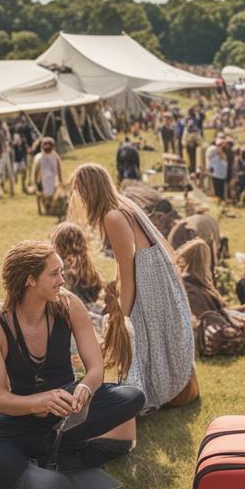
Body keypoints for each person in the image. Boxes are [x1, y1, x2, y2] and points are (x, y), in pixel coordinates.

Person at [0, 241, 144, 489]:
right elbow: (2, 399)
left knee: (132, 398)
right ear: (30, 279)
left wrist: (84, 388)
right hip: (23, 419)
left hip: (69, 414)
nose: (62, 280)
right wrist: (39, 402)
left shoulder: (68, 306)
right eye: (54, 274)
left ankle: (49, 467)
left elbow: (95, 368)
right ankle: (52, 472)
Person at [69, 163, 195, 412]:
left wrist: (123, 317)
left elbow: (128, 271)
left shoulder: (113, 216)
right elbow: (123, 262)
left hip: (148, 282)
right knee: (151, 337)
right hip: (152, 276)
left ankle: (147, 393)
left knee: (142, 335)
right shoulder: (121, 206)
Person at [32, 137, 64, 212]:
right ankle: (45, 205)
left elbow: (59, 170)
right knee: (43, 195)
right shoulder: (39, 158)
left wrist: (61, 181)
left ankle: (51, 205)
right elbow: (35, 173)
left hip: (53, 180)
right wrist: (35, 184)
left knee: (53, 194)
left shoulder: (56, 157)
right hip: (42, 181)